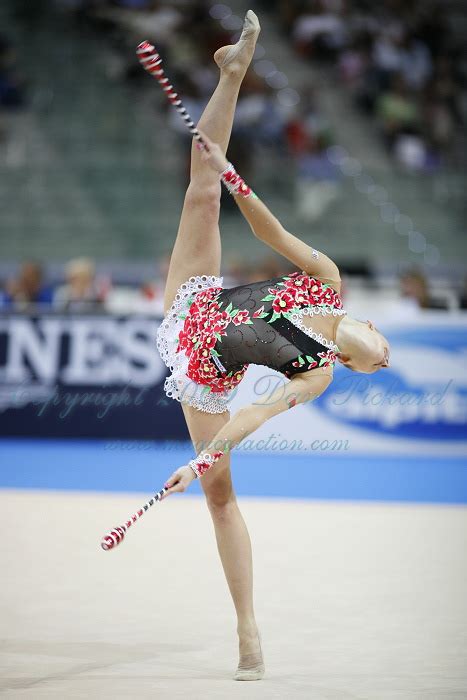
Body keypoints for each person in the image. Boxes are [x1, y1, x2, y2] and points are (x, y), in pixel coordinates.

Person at [155, 10, 390, 681]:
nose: (384, 346)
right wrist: (237, 181)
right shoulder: (328, 280)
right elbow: (270, 232)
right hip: (195, 302)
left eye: (381, 358)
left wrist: (202, 461)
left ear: (351, 361)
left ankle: (245, 623)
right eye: (384, 338)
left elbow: (251, 417)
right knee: (203, 193)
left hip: (206, 373)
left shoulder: (317, 373)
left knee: (220, 499)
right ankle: (233, 69)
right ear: (365, 329)